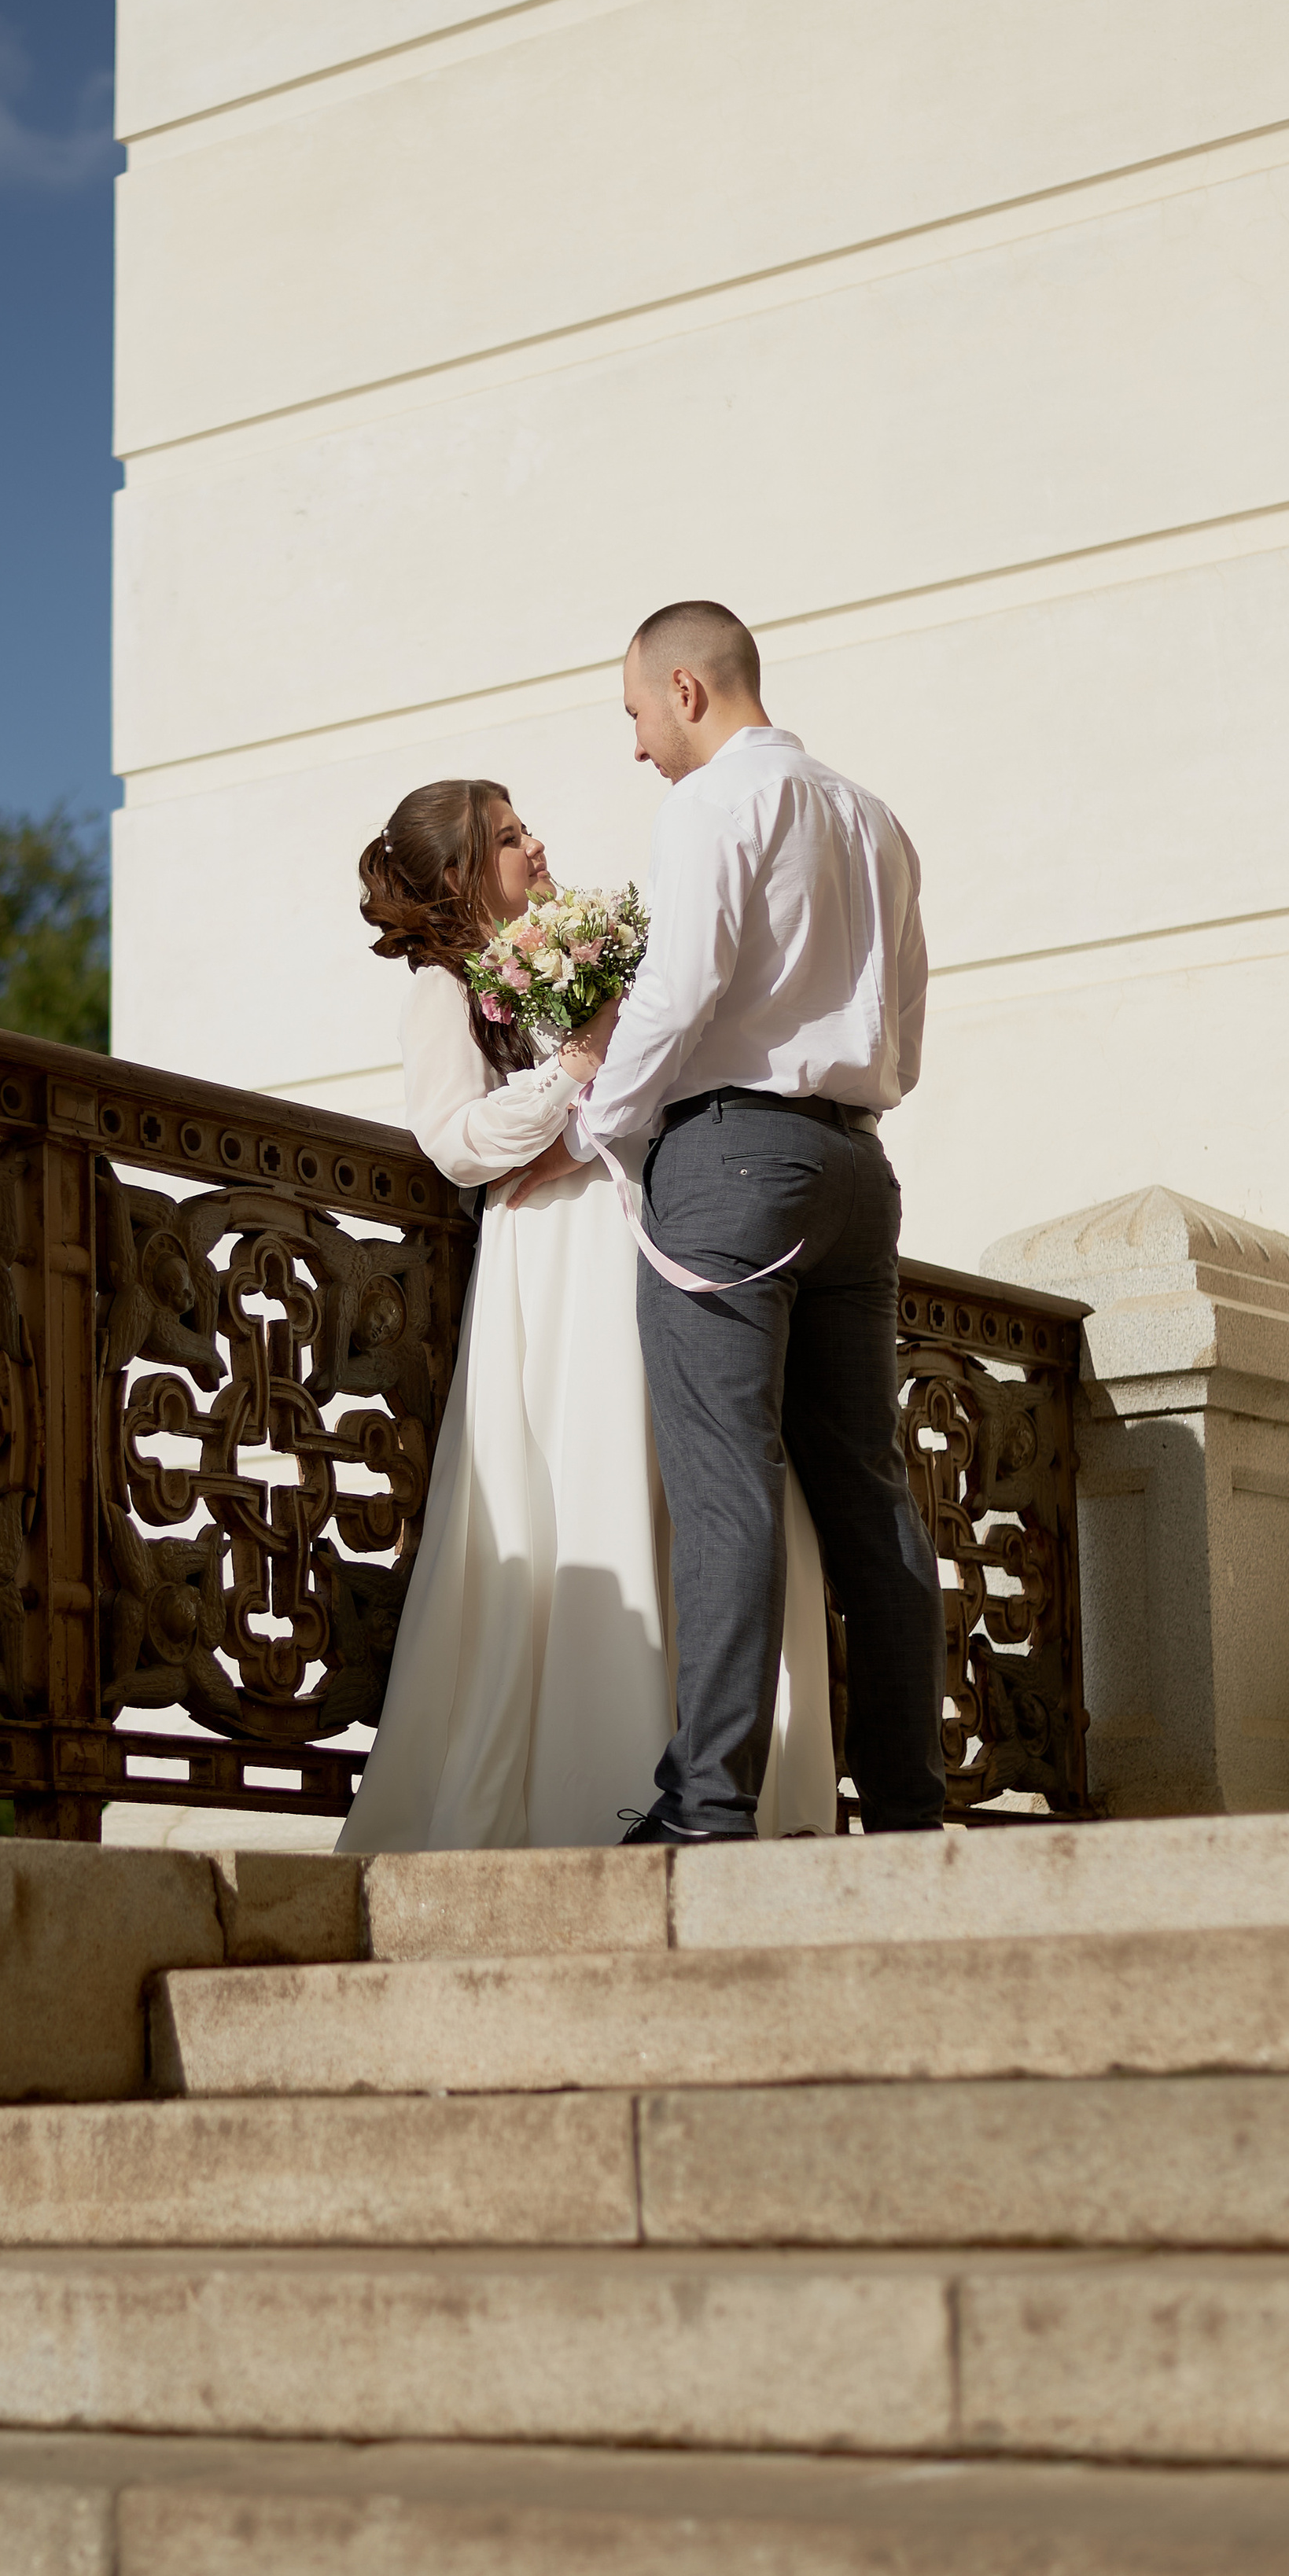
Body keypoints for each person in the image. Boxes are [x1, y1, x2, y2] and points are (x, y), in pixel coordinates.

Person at [334, 775, 837, 1852]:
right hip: (559, 1260)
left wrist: (591, 1092)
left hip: (640, 1225)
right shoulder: (443, 987)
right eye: (511, 838)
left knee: (694, 1480)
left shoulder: (575, 947)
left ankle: (731, 1779)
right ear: (466, 874)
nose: (537, 845)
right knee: (594, 1473)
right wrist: (572, 1071)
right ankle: (602, 1780)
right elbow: (456, 1137)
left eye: (527, 828)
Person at [515, 601, 944, 1845]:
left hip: (733, 1163)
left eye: (638, 713)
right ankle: (909, 1808)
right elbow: (904, 1031)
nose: (638, 745)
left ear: (689, 688)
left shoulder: (713, 805)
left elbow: (682, 985)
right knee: (870, 1493)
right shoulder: (877, 820)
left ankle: (707, 1806)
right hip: (860, 1169)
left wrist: (613, 1125)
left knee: (725, 1487)